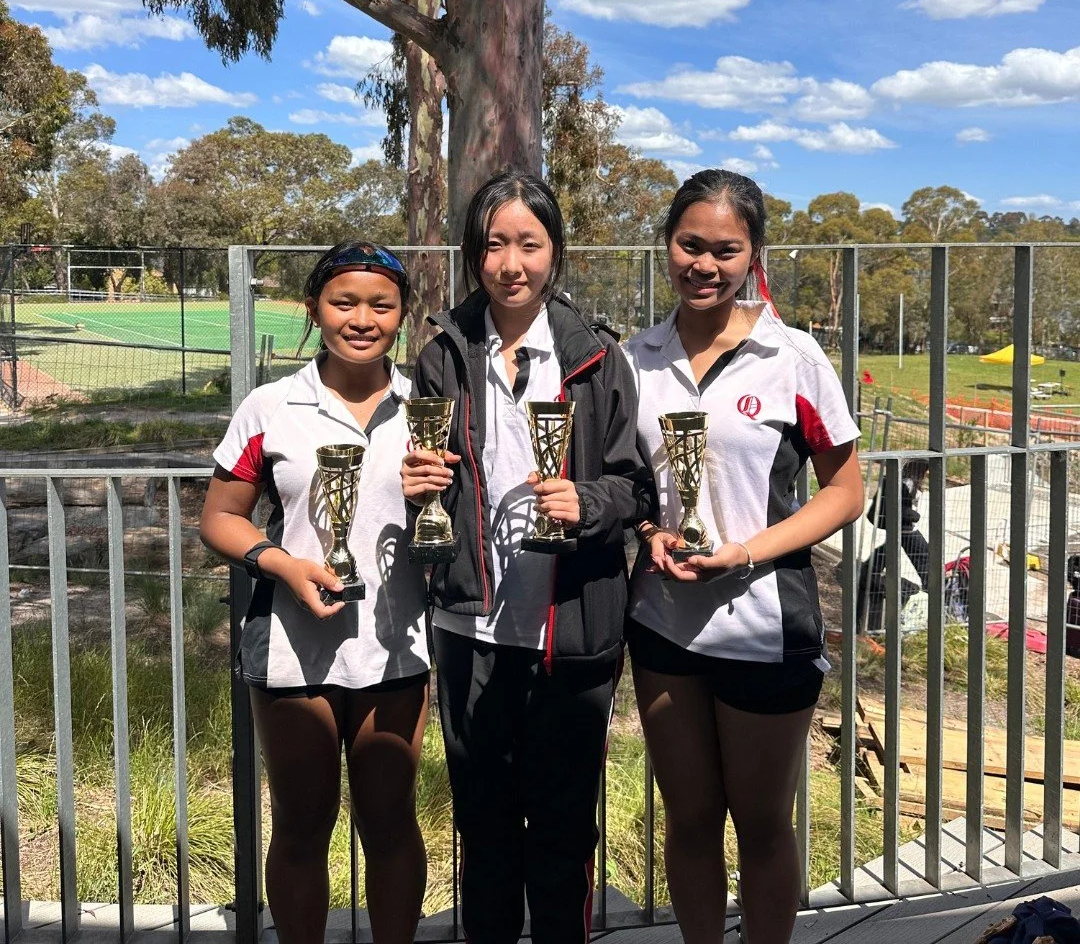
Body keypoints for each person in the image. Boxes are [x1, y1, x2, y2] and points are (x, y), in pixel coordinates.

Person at [401, 169, 649, 944]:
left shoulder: (597, 359)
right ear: (475, 254)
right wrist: (416, 485)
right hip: (469, 626)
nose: (512, 263)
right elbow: (424, 479)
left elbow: (635, 487)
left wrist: (593, 503)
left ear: (555, 252)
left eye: (529, 244)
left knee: (564, 830)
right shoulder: (441, 354)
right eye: (494, 244)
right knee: (484, 826)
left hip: (570, 628)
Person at [624, 169, 864, 944]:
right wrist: (649, 534)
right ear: (667, 247)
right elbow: (626, 487)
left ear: (753, 254)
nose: (706, 265)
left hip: (768, 629)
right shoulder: (635, 359)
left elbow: (844, 492)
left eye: (726, 250)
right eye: (690, 245)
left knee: (761, 825)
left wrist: (747, 551)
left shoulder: (793, 357)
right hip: (663, 628)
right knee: (689, 821)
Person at [200, 243, 429, 944]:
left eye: (381, 305)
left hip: (396, 647)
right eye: (344, 302)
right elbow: (219, 517)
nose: (362, 319)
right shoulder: (271, 406)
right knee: (301, 824)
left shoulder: (427, 405)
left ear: (402, 317)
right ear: (313, 310)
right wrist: (281, 564)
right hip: (292, 653)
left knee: (389, 822)